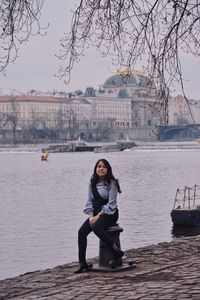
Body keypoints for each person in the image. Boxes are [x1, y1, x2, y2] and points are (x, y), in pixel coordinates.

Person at [75, 158, 124, 273]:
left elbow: (112, 204)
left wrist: (97, 217)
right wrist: (91, 215)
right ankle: (82, 263)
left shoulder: (112, 183)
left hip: (110, 213)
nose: (101, 169)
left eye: (104, 167)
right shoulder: (92, 182)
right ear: (96, 169)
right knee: (81, 232)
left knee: (96, 227)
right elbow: (89, 201)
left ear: (108, 169)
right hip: (95, 213)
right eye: (99, 166)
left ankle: (116, 253)